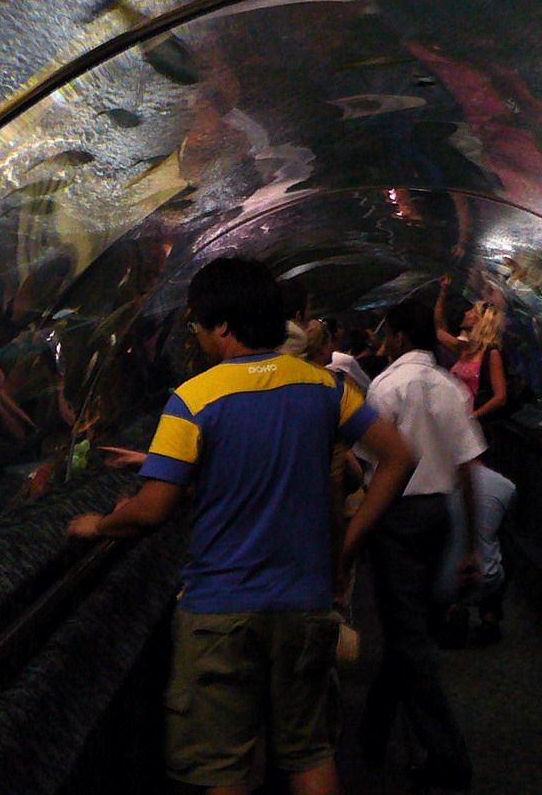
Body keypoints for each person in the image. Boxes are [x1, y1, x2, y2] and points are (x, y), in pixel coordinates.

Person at [68, 256, 415, 795]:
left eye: (197, 323)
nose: (196, 334)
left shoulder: (193, 399)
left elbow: (153, 508)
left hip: (220, 607)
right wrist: (348, 544)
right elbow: (398, 458)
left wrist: (98, 525)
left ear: (224, 325)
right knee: (310, 753)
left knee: (223, 767)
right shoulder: (324, 388)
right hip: (304, 602)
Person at [356, 299, 486, 791]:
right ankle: (374, 728)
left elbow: (369, 464)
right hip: (439, 515)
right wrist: (472, 542)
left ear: (397, 337)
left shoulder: (385, 387)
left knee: (409, 637)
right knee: (411, 631)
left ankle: (448, 756)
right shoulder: (451, 388)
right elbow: (470, 468)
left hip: (395, 517)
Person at [434, 458, 516, 647]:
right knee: (504, 545)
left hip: (445, 577)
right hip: (486, 576)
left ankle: (454, 610)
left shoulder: (439, 481)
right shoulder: (506, 486)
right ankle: (490, 616)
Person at [435, 277, 508, 420]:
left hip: (466, 419)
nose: (466, 313)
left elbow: (500, 397)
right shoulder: (465, 348)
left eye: (471, 311)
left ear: (479, 321)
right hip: (450, 415)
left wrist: (472, 417)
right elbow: (439, 329)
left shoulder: (492, 354)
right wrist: (443, 293)